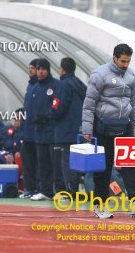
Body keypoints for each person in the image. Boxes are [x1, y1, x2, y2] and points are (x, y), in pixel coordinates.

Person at [82, 43, 135, 219]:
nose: (125, 64)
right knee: (103, 170)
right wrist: (87, 128)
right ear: (114, 57)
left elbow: (132, 103)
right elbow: (89, 103)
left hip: (125, 128)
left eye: (128, 61)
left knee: (133, 167)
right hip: (103, 128)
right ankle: (100, 207)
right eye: (122, 61)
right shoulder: (99, 74)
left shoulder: (130, 76)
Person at [51, 57, 87, 195]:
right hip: (79, 130)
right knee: (77, 161)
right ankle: (76, 189)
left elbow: (58, 108)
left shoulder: (63, 85)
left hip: (65, 131)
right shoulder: (79, 84)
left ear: (62, 69)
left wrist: (49, 114)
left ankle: (70, 191)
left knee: (67, 162)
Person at [30, 59, 60, 201]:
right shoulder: (35, 87)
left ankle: (59, 191)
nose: (40, 72)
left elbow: (57, 106)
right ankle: (45, 191)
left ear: (48, 70)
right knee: (42, 164)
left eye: (43, 69)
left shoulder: (55, 85)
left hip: (52, 132)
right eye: (38, 69)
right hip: (39, 132)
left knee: (55, 163)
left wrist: (46, 116)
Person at [20, 58, 40, 199]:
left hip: (37, 132)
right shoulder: (30, 86)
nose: (31, 70)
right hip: (27, 132)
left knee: (38, 162)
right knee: (27, 161)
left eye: (34, 68)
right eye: (30, 68)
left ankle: (38, 189)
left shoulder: (41, 86)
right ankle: (29, 188)